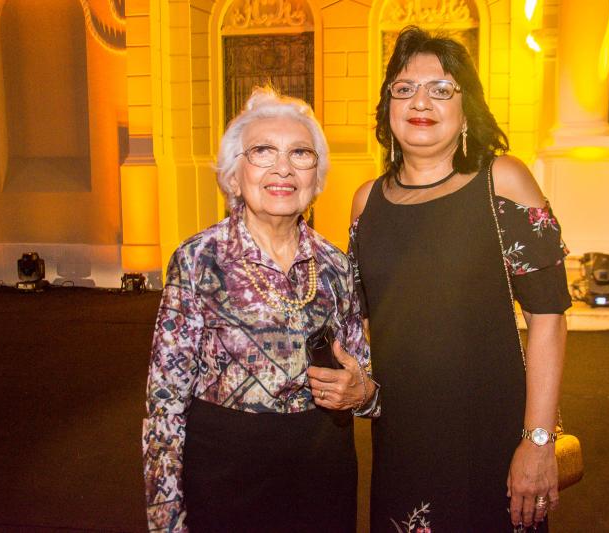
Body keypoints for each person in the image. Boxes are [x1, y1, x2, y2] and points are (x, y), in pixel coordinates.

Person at [348, 27, 570, 532]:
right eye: (404, 88)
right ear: (387, 107)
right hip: (401, 437)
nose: (420, 101)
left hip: (489, 436)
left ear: (467, 108)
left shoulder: (502, 182)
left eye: (441, 89)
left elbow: (548, 319)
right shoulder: (366, 202)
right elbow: (359, 321)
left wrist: (538, 441)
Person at [142, 87, 378, 532]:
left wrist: (361, 392)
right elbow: (164, 403)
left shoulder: (337, 265)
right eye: (263, 151)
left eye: (300, 153)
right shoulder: (198, 259)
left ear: (316, 179)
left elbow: (364, 382)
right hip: (225, 478)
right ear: (234, 177)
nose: (283, 168)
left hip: (322, 473)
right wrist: (165, 517)